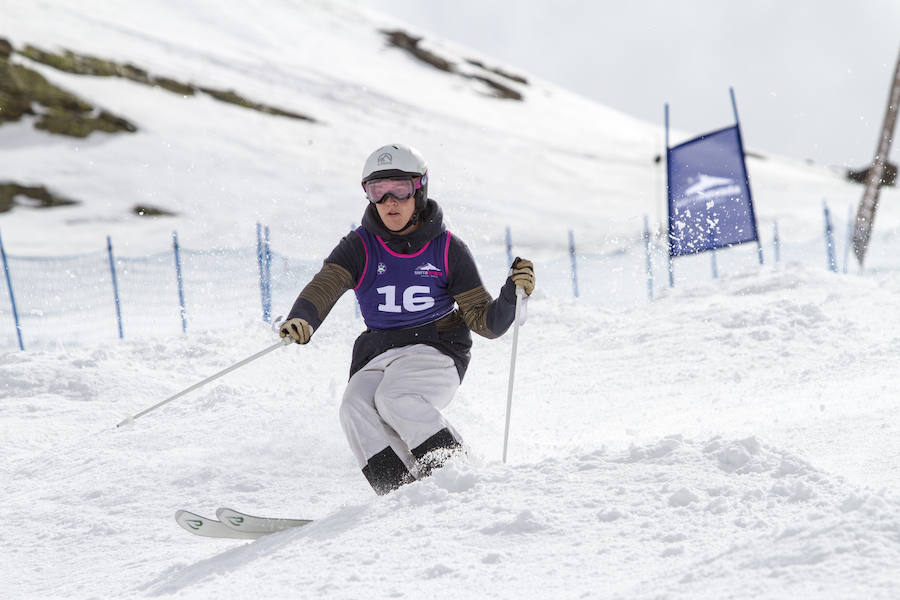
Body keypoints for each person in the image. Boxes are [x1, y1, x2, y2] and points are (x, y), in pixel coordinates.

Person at [280, 143, 535, 495]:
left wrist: (511, 295)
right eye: (377, 192)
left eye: (399, 189)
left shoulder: (447, 248)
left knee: (394, 398)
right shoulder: (360, 246)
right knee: (354, 405)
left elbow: (485, 322)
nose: (390, 203)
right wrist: (303, 318)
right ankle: (399, 492)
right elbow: (327, 283)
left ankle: (457, 474)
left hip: (436, 350)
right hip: (379, 353)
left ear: (419, 190)